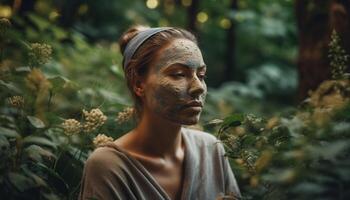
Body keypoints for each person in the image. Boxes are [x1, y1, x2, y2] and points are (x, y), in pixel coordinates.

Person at [79, 26, 241, 200]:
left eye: (201, 75)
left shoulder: (211, 149)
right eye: (179, 74)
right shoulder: (108, 166)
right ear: (138, 83)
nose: (198, 87)